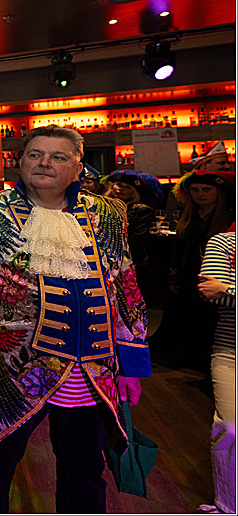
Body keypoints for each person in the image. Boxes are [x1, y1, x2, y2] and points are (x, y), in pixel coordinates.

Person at [0, 125, 150, 513]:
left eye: (58, 157)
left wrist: (132, 362)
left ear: (78, 168)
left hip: (92, 369)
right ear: (20, 161)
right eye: (35, 155)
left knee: (85, 471)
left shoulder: (108, 214)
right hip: (15, 369)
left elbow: (124, 284)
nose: (44, 163)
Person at [161, 170, 236, 371]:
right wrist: (174, 276)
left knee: (210, 320)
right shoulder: (189, 215)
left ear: (219, 192)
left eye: (206, 189)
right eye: (194, 190)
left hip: (216, 278)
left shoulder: (229, 218)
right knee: (188, 318)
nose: (199, 194)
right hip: (189, 275)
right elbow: (178, 249)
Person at [197, 223, 236, 514]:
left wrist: (228, 287)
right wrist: (222, 290)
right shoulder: (224, 242)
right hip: (230, 352)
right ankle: (227, 505)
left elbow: (222, 291)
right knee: (230, 429)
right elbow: (210, 293)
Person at [107, 169, 163, 302]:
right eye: (119, 185)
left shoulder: (142, 210)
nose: (121, 189)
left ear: (135, 191)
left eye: (128, 187)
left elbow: (138, 238)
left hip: (131, 261)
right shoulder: (104, 208)